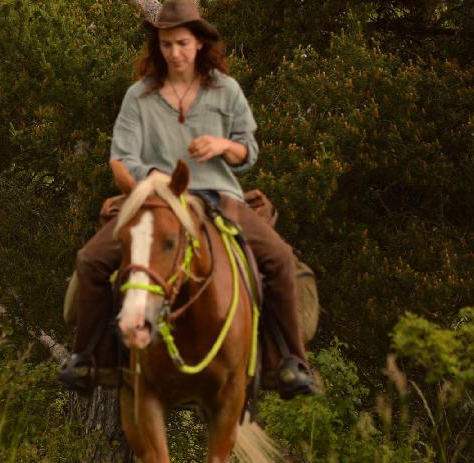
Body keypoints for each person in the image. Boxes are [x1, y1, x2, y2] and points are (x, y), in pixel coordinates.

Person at [58, 0, 315, 398]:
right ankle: (87, 359)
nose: (174, 53)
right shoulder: (139, 97)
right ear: (157, 46)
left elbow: (249, 151)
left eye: (181, 43)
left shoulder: (225, 90)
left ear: (198, 44)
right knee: (92, 260)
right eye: (165, 44)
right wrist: (153, 178)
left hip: (217, 196)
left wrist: (222, 145)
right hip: (153, 200)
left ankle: (290, 362)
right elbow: (120, 160)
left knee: (279, 258)